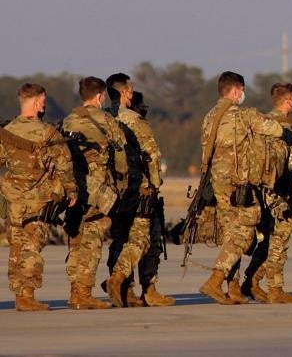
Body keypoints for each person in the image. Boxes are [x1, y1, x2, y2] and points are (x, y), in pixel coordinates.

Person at [196, 71, 285, 305]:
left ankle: (233, 288)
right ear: (236, 91)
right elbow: (275, 130)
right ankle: (215, 280)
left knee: (229, 234)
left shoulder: (208, 117)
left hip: (218, 184)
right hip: (240, 186)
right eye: (242, 90)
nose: (243, 94)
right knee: (243, 234)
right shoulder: (244, 115)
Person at [1, 83, 77, 311]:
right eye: (43, 101)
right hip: (37, 199)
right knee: (32, 246)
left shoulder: (7, 131)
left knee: (17, 247)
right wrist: (71, 190)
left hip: (13, 199)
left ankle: (18, 293)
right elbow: (64, 165)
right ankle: (26, 295)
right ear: (36, 102)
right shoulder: (48, 133)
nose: (44, 106)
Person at [101, 73, 173, 308]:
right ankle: (121, 279)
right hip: (138, 188)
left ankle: (126, 290)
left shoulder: (102, 119)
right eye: (130, 90)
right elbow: (151, 154)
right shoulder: (133, 119)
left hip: (113, 191)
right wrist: (154, 185)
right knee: (143, 238)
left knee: (120, 238)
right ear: (124, 92)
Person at [62, 76, 131, 310]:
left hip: (75, 189)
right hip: (99, 192)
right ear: (100, 96)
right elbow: (120, 157)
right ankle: (83, 293)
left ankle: (75, 291)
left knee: (76, 239)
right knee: (92, 240)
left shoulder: (68, 120)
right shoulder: (106, 120)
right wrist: (120, 187)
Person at [240, 82, 292, 304]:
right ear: (290, 100)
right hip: (277, 193)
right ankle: (275, 289)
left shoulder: (263, 123)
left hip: (258, 191)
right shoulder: (286, 128)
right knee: (280, 235)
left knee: (267, 239)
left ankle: (250, 282)